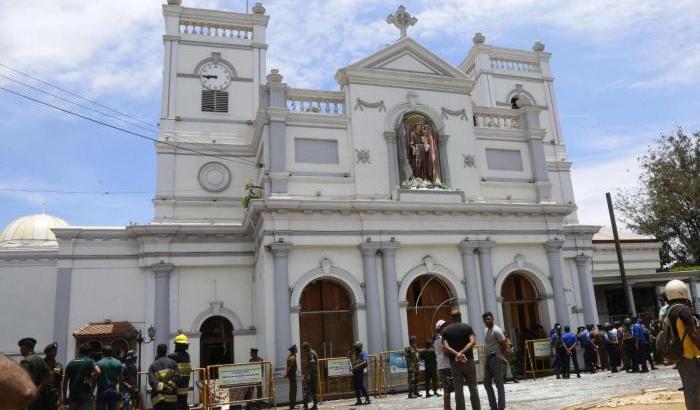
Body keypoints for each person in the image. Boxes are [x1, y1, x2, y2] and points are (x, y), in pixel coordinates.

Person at [663, 279, 700, 409]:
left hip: (680, 355)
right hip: (690, 354)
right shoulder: (683, 309)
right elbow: (693, 333)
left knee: (690, 386)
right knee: (693, 387)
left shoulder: (669, 310)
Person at [441, 310, 481, 410]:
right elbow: (472, 342)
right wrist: (462, 353)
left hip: (455, 363)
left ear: (451, 318)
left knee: (458, 390)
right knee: (473, 388)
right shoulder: (467, 328)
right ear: (460, 316)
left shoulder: (446, 331)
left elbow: (446, 346)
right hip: (468, 361)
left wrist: (457, 354)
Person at [63, 343, 101, 410]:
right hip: (85, 393)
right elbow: (98, 371)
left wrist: (64, 397)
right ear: (89, 352)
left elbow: (65, 381)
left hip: (73, 394)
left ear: (79, 351)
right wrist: (91, 378)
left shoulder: (71, 363)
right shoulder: (90, 361)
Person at [482, 312, 506, 410]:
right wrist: (485, 359)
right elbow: (487, 346)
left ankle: (501, 407)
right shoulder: (486, 330)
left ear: (493, 319)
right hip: (488, 358)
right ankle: (493, 406)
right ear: (484, 321)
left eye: (489, 318)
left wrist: (502, 357)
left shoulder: (497, 330)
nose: (488, 320)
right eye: (486, 319)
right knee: (486, 382)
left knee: (499, 383)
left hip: (496, 358)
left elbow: (504, 344)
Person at [18, 337, 49, 410]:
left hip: (28, 396)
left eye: (21, 348)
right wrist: (39, 389)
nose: (20, 350)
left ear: (24, 348)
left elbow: (21, 380)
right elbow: (48, 375)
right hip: (39, 396)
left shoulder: (26, 361)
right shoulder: (40, 359)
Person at [148, 344, 179, 410]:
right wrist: (170, 385)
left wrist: (165, 387)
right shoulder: (173, 363)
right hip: (172, 400)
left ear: (157, 351)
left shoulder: (153, 366)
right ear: (166, 351)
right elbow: (177, 377)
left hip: (158, 400)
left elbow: (152, 382)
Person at [96, 346, 123, 410]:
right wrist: (121, 391)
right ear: (112, 353)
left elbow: (95, 377)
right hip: (113, 389)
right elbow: (121, 378)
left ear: (103, 353)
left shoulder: (99, 363)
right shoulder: (118, 363)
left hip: (101, 390)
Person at [434, 320, 453, 410]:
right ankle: (447, 407)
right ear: (440, 328)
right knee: (447, 389)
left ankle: (448, 407)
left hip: (444, 365)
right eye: (444, 326)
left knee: (448, 389)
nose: (446, 327)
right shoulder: (440, 339)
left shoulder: (438, 338)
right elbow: (446, 351)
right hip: (445, 366)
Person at [169, 334, 191, 410]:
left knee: (176, 404)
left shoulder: (173, 356)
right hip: (185, 385)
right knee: (183, 402)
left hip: (176, 385)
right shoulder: (187, 355)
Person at [42, 343, 63, 410]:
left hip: (53, 395)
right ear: (46, 353)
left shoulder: (59, 365)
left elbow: (59, 382)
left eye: (55, 352)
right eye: (51, 352)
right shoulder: (41, 364)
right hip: (42, 395)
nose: (54, 354)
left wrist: (60, 397)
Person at [350, 342, 371, 406]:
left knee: (360, 385)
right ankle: (358, 400)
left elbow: (365, 362)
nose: (355, 349)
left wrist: (357, 366)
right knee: (356, 386)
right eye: (355, 348)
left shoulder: (364, 353)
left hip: (360, 371)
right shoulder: (354, 354)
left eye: (356, 348)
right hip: (355, 371)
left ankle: (367, 398)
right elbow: (353, 361)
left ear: (359, 347)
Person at [300, 342, 319, 410]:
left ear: (307, 347)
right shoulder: (314, 352)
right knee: (314, 391)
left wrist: (308, 376)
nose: (304, 351)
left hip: (311, 376)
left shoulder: (310, 354)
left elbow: (312, 364)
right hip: (314, 375)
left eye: (304, 349)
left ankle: (305, 407)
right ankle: (315, 406)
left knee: (306, 391)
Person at [285, 345, 298, 410]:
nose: (297, 349)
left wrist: (287, 374)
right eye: (296, 349)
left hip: (291, 376)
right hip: (292, 376)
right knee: (293, 391)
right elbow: (290, 367)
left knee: (292, 390)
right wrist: (286, 374)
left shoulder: (290, 356)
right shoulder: (292, 357)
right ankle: (292, 406)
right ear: (293, 350)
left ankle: (292, 405)